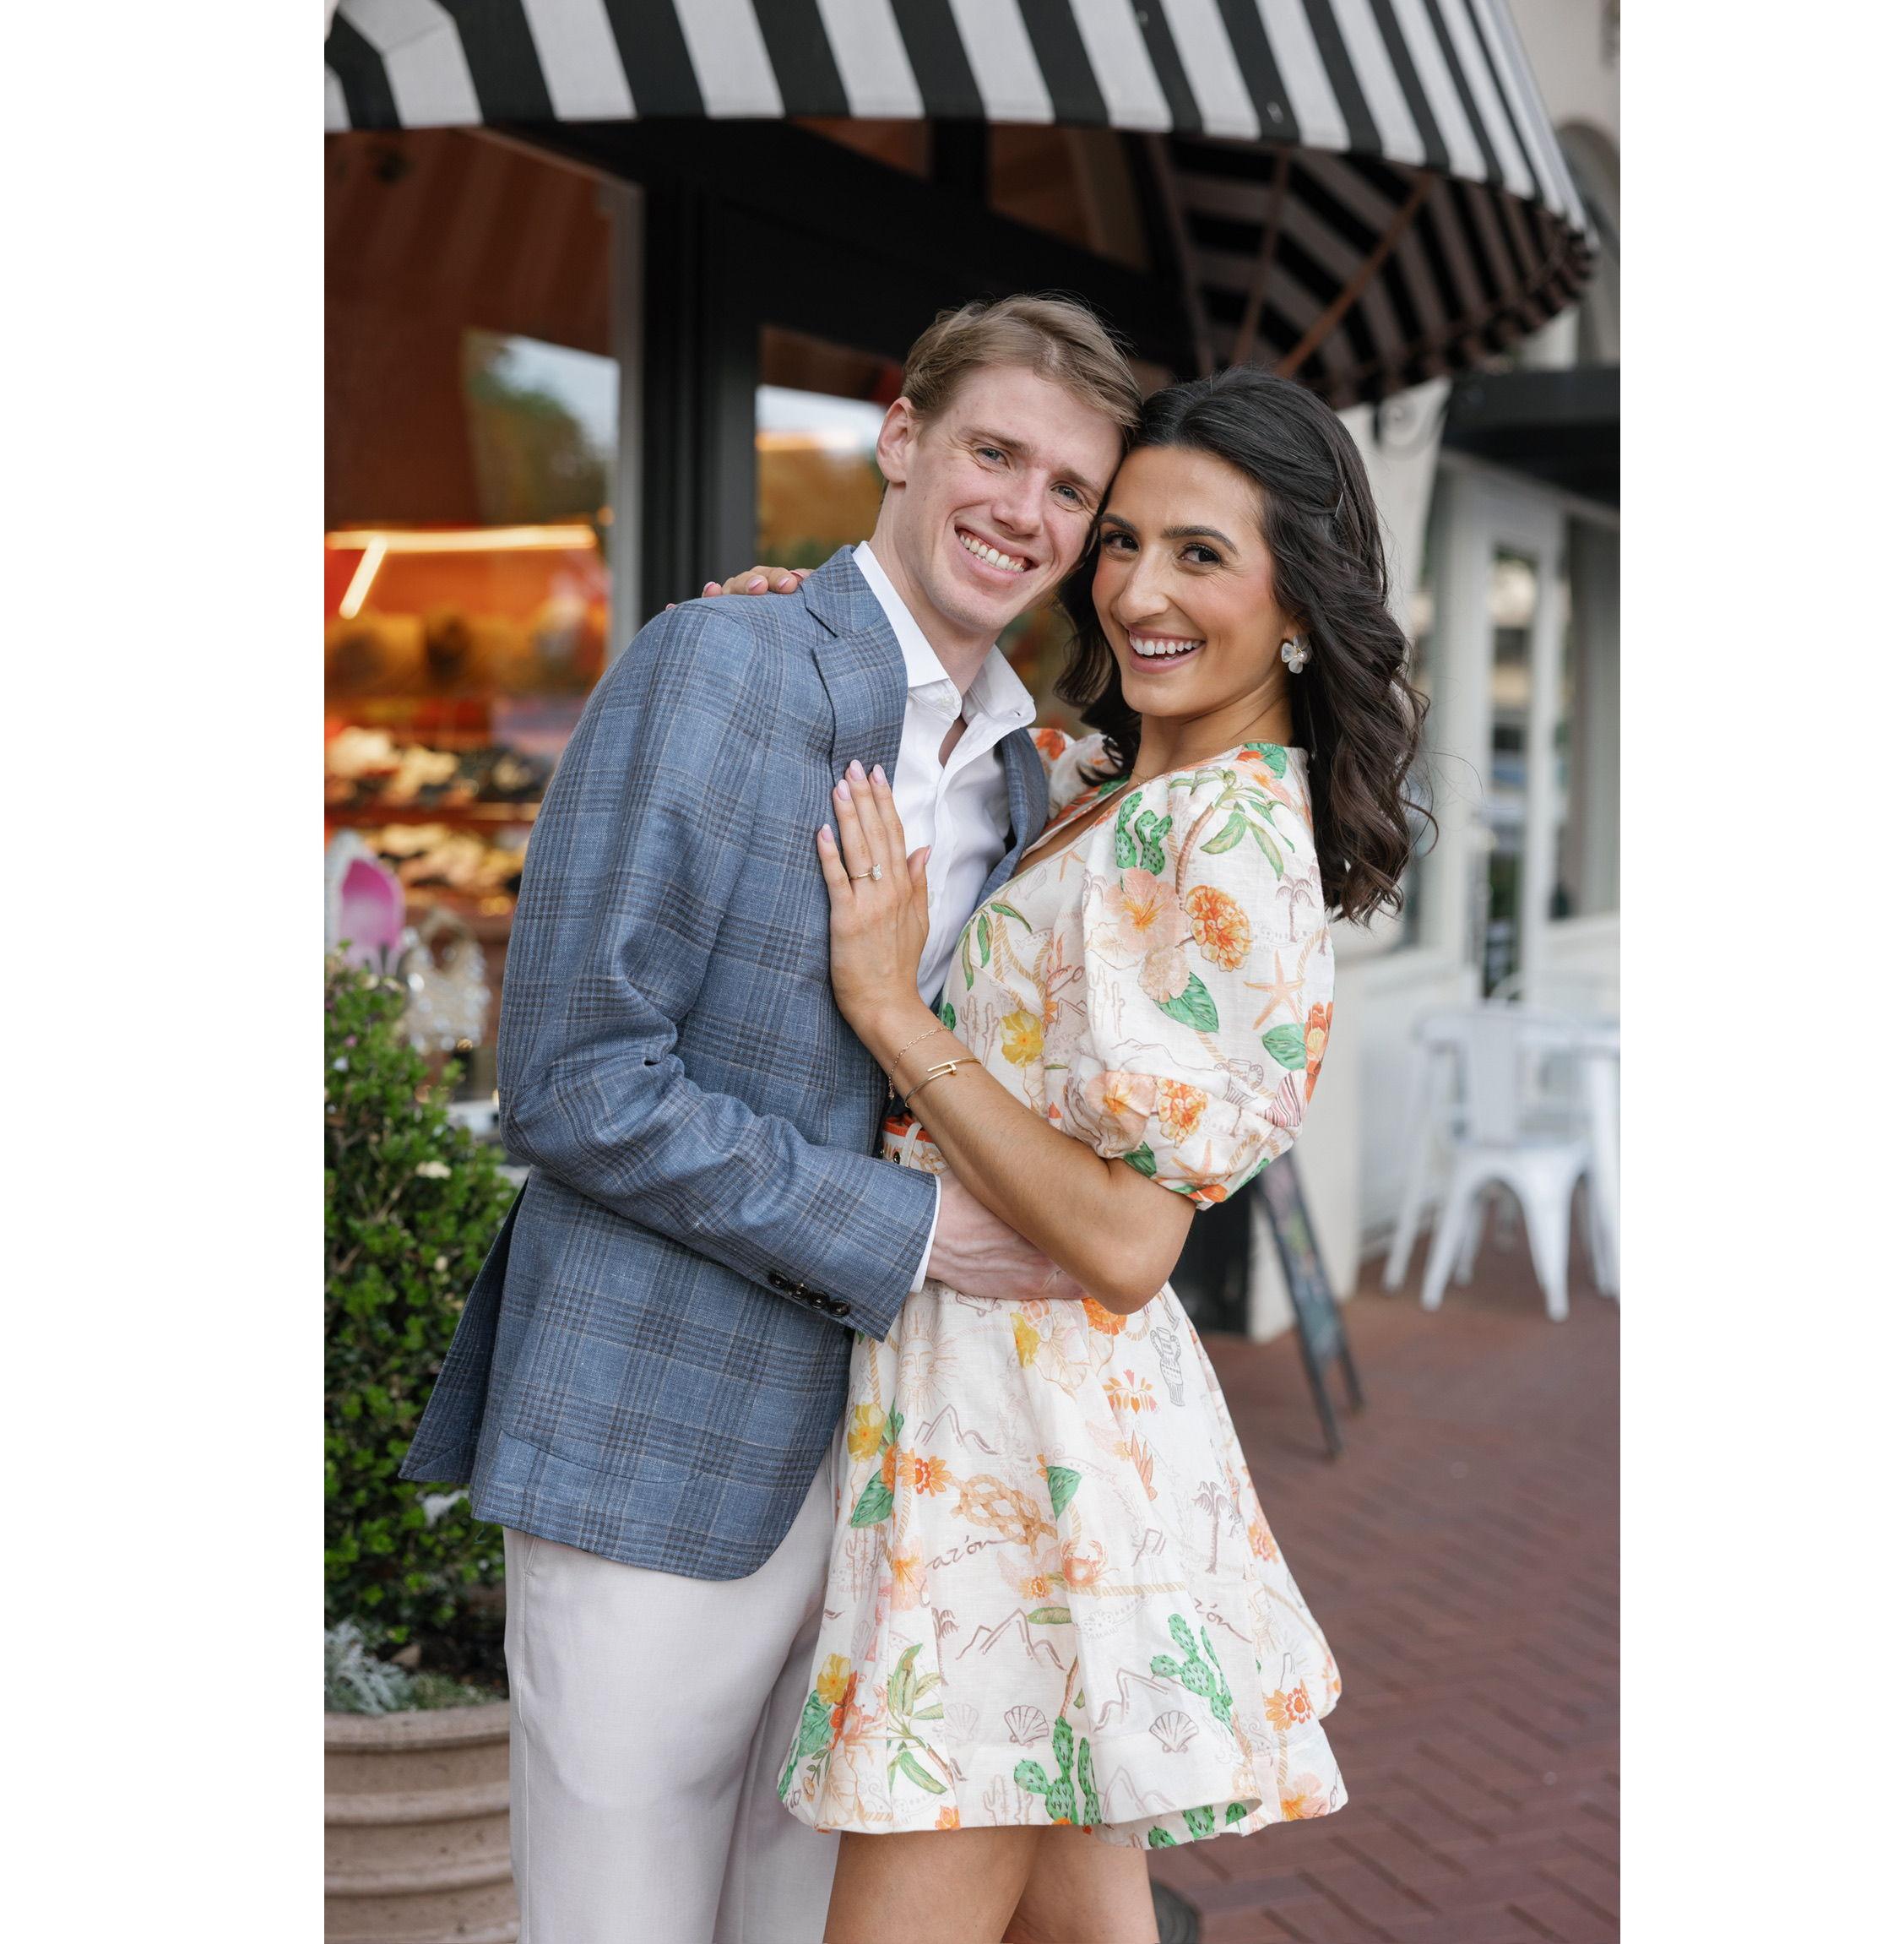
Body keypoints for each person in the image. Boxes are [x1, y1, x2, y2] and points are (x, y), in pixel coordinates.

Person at [398, 295, 1143, 1944]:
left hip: (890, 1467)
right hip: (652, 1423)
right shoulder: (715, 664)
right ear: (902, 436)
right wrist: (914, 1231)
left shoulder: (1026, 772)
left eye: (1069, 488)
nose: (1023, 509)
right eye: (994, 452)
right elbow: (578, 1077)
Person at [719, 366, 1426, 1943]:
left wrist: (891, 1011)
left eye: (1200, 554)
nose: (1136, 591)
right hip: (998, 1421)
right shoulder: (1115, 783)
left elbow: (1124, 1240)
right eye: (1121, 541)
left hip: (1032, 1442)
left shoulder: (1221, 834)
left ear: (1296, 604)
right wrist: (802, 633)